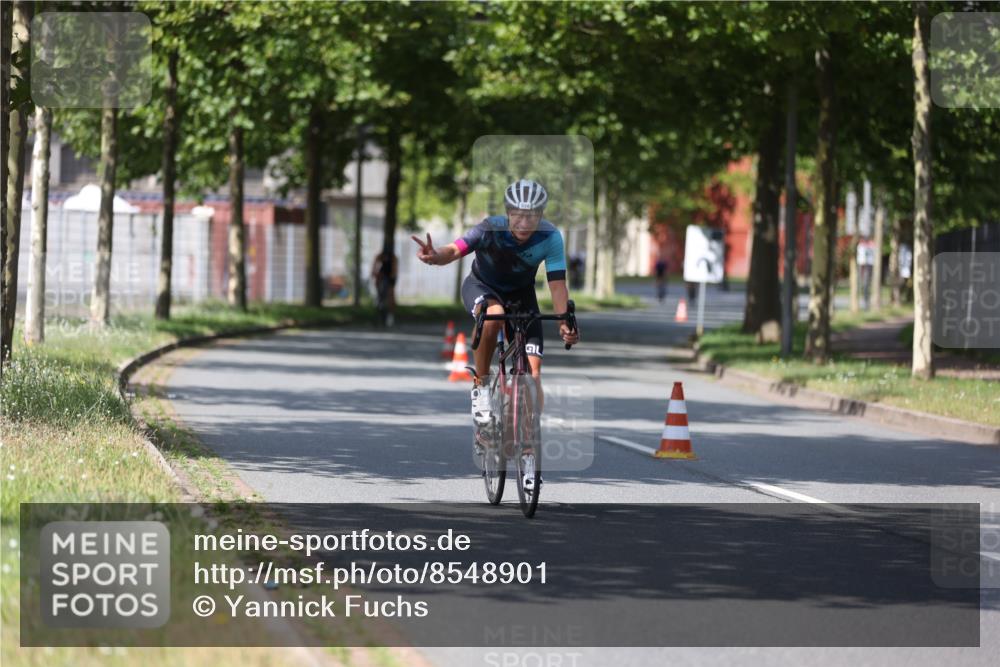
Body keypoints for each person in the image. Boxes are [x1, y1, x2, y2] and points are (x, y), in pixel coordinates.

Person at [412, 179, 580, 488]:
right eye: (517, 214)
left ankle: (528, 447)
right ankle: (481, 386)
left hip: (522, 296)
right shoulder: (490, 228)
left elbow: (556, 283)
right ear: (507, 213)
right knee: (495, 315)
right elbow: (457, 249)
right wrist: (436, 256)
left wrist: (563, 322)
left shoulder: (551, 237)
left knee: (533, 372)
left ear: (541, 215)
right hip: (482, 288)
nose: (524, 221)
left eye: (532, 215)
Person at [370, 244, 398, 326]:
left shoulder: (393, 258)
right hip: (382, 276)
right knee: (379, 295)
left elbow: (394, 271)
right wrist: (374, 275)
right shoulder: (379, 256)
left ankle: (390, 316)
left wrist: (391, 283)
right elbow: (374, 267)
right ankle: (378, 310)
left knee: (390, 296)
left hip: (390, 277)